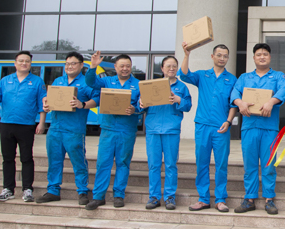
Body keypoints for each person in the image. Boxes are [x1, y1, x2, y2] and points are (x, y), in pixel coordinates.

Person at [230, 43, 285, 215]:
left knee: (268, 164)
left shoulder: (278, 76)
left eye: (265, 54)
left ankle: (269, 199)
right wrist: (239, 103)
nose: (262, 57)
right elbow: (234, 93)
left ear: (270, 57)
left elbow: (284, 90)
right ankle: (249, 198)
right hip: (249, 126)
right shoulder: (244, 77)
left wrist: (271, 101)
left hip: (269, 128)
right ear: (253, 58)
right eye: (258, 54)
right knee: (250, 164)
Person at [179, 43, 237, 213]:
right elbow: (183, 74)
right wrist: (186, 55)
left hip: (221, 127)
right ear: (212, 57)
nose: (222, 58)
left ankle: (220, 199)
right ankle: (203, 198)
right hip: (203, 125)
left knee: (221, 164)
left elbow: (234, 103)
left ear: (228, 58)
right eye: (219, 55)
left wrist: (229, 121)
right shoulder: (202, 75)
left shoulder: (232, 79)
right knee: (202, 163)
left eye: (225, 56)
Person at [36, 52, 99, 205]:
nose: (69, 66)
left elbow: (97, 99)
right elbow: (49, 98)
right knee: (54, 161)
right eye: (67, 64)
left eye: (73, 63)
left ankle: (82, 191)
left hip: (74, 130)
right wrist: (46, 104)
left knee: (78, 162)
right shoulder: (58, 81)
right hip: (55, 128)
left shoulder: (86, 82)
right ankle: (53, 190)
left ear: (81, 65)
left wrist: (82, 104)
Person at [84, 52, 141, 210]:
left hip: (127, 130)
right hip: (108, 128)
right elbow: (90, 82)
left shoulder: (138, 85)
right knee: (103, 163)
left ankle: (118, 195)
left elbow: (143, 105)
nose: (125, 69)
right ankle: (98, 197)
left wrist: (135, 109)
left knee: (123, 162)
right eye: (122, 66)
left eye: (128, 66)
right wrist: (93, 66)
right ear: (115, 67)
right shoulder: (106, 81)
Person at [0, 51, 47, 203]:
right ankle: (8, 189)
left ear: (30, 64)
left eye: (27, 61)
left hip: (26, 125)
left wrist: (41, 123)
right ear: (15, 63)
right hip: (7, 124)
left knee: (26, 158)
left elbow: (42, 104)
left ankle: (27, 189)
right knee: (8, 158)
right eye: (21, 61)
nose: (24, 63)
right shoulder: (5, 80)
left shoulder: (37, 82)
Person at [140, 56, 191, 210]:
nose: (171, 68)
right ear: (162, 68)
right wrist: (140, 103)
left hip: (171, 129)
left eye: (174, 66)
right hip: (153, 129)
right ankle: (154, 197)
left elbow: (188, 106)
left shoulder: (182, 87)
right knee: (154, 165)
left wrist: (178, 99)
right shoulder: (152, 85)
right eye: (168, 66)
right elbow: (140, 105)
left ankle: (169, 197)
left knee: (170, 165)